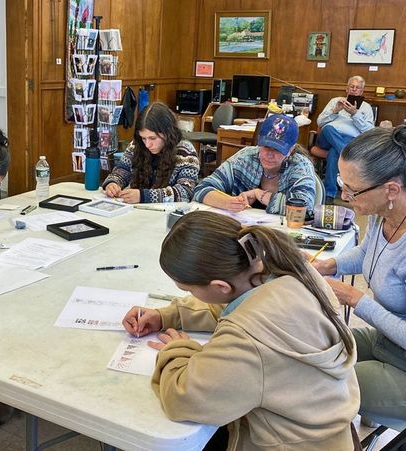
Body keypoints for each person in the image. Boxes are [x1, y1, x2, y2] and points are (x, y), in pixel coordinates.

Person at [122, 211, 359, 449]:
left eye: (189, 290)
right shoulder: (290, 271)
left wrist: (177, 349)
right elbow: (235, 304)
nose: (189, 295)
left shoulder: (247, 339)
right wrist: (168, 315)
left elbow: (183, 399)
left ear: (220, 287)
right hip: (332, 435)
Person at [313, 125, 406, 431]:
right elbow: (367, 253)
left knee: (322, 386)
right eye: (343, 183)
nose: (344, 195)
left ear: (391, 189)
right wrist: (328, 265)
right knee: (314, 354)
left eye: (352, 190)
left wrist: (355, 299)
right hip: (387, 339)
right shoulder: (387, 214)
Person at [193, 114, 316, 215]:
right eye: (265, 147)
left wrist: (259, 194)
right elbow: (201, 189)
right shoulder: (245, 157)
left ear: (290, 150)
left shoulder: (301, 166)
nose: (269, 154)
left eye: (278, 149)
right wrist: (229, 202)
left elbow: (304, 210)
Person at [102, 101, 199, 203]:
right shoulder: (136, 145)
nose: (148, 144)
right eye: (143, 138)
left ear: (168, 133)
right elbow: (123, 169)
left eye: (153, 138)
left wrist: (144, 196)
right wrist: (113, 183)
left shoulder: (186, 153)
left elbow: (186, 192)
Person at [316, 75, 375, 202]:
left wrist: (355, 114)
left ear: (362, 91)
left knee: (333, 153)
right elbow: (320, 122)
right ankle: (346, 153)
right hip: (328, 136)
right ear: (346, 89)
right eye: (352, 87)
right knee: (328, 128)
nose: (354, 89)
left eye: (357, 87)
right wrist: (335, 111)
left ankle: (330, 194)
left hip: (350, 140)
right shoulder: (335, 101)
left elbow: (370, 131)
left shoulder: (366, 107)